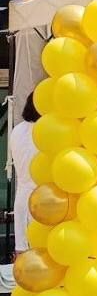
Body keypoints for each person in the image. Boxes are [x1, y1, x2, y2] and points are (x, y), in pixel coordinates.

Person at [10, 92, 39, 257]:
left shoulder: (17, 130)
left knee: (23, 250)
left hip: (22, 196)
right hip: (42, 200)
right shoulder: (44, 132)